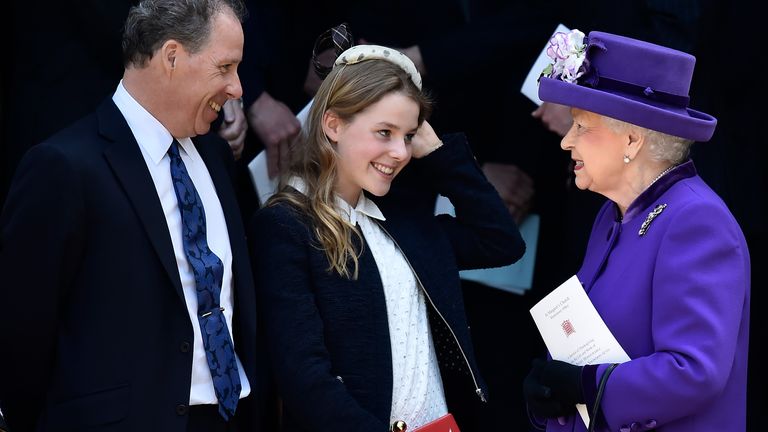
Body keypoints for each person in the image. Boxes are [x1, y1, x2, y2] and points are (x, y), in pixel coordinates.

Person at [0, 1, 265, 430]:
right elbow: (22, 337)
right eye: (226, 67)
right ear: (172, 57)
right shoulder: (64, 166)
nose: (237, 87)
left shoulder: (216, 157)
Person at [248, 41, 525, 431]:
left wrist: (440, 153)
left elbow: (501, 241)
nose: (399, 151)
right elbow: (306, 379)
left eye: (409, 136)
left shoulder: (405, 219)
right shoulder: (287, 224)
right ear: (333, 125)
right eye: (384, 131)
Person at [523, 30, 750, 431]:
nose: (567, 142)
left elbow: (695, 370)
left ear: (631, 138)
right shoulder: (614, 213)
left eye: (582, 125)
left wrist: (585, 385)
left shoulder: (696, 222)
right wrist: (554, 392)